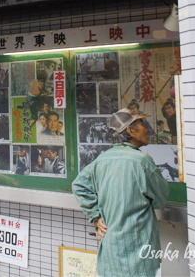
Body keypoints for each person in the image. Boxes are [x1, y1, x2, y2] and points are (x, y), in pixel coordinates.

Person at [72, 108, 169, 277]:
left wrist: (96, 216)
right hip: (140, 259)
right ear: (131, 130)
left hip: (110, 258)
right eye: (142, 123)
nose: (147, 128)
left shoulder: (102, 159)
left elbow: (79, 185)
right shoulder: (142, 162)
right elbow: (161, 199)